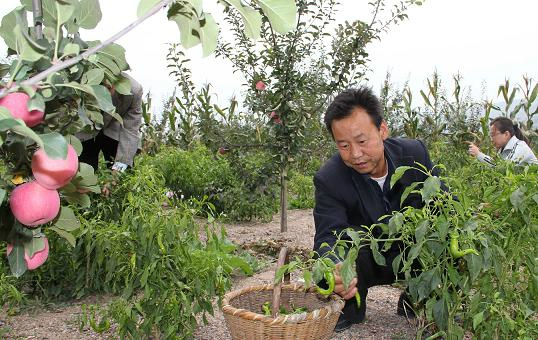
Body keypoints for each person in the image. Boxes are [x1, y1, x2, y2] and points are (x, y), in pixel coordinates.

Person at [313, 87, 442, 332]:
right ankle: (350, 306)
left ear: (382, 130)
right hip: (368, 260)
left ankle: (418, 294)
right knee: (347, 250)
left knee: (448, 234)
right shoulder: (330, 179)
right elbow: (328, 236)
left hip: (414, 252)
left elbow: (442, 203)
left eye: (362, 141)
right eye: (344, 146)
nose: (356, 154)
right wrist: (334, 268)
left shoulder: (414, 154)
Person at [77, 73, 143, 173]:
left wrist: (119, 168)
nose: (104, 93)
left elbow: (130, 129)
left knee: (124, 174)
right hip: (87, 127)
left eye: (108, 88)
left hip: (114, 128)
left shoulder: (133, 91)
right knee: (83, 174)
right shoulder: (83, 80)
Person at [467, 117, 538, 166]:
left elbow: (503, 168)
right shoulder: (503, 149)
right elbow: (495, 164)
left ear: (506, 134)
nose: (491, 139)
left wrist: (479, 154)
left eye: (493, 135)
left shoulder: (520, 147)